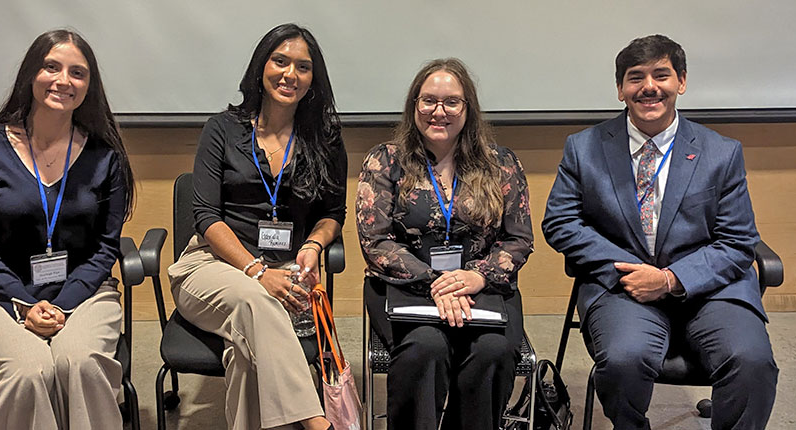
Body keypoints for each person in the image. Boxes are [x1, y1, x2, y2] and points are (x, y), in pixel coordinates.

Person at [542, 34, 778, 429]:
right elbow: (560, 222)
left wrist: (670, 279)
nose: (649, 87)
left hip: (711, 287)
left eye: (661, 75)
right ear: (621, 89)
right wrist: (632, 271)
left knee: (752, 361)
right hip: (624, 285)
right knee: (623, 360)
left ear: (681, 82)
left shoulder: (721, 152)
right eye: (635, 77)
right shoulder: (584, 148)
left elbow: (737, 240)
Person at [166, 23, 345, 430]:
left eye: (303, 66)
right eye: (280, 61)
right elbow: (206, 216)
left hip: (285, 273)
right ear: (260, 67)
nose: (290, 74)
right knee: (255, 302)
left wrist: (314, 246)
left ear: (313, 79)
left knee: (244, 352)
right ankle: (318, 423)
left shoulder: (325, 137)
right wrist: (256, 272)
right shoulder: (222, 130)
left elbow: (334, 212)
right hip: (211, 266)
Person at [0, 29, 135, 429]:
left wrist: (64, 303)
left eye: (78, 73)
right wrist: (22, 304)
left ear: (89, 86)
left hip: (84, 295)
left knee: (81, 364)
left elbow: (106, 250)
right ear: (31, 74)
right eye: (51, 67)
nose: (63, 81)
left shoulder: (106, 156)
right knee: (27, 371)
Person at [356, 58, 533, 430]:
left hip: (483, 289)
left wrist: (477, 277)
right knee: (426, 349)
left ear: (468, 108)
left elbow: (518, 239)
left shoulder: (501, 164)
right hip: (405, 288)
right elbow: (376, 242)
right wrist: (438, 283)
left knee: (493, 352)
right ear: (413, 106)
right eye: (428, 101)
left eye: (452, 102)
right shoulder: (385, 161)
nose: (440, 111)